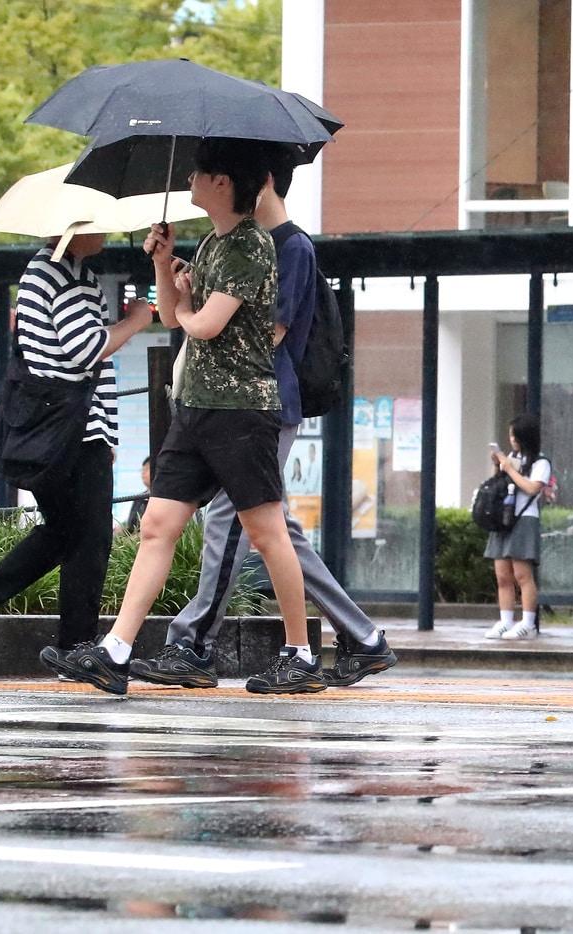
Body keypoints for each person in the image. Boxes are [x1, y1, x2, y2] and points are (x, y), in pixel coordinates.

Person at [39, 138, 312, 696]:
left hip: (241, 411)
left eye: (198, 172)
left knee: (266, 533)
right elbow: (169, 314)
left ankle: (300, 652)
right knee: (157, 525)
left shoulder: (249, 247)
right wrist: (165, 265)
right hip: (196, 409)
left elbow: (205, 323)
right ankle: (115, 650)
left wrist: (185, 305)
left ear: (220, 183)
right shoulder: (212, 243)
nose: (188, 178)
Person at [130, 144, 396, 691]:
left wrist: (196, 312)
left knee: (234, 523)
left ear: (261, 179)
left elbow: (267, 334)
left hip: (258, 407)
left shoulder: (289, 248)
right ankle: (364, 639)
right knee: (275, 530)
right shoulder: (235, 243)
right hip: (231, 406)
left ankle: (194, 642)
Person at [0, 233, 154, 673]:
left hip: (67, 428)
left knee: (67, 532)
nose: (107, 234)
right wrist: (136, 320)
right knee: (89, 538)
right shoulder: (60, 272)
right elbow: (87, 351)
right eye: (99, 225)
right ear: (74, 229)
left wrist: (108, 431)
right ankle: (75, 647)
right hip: (72, 432)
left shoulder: (61, 272)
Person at [483, 413, 551, 641]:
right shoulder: (512, 458)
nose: (511, 440)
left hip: (524, 519)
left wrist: (510, 469)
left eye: (514, 435)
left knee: (522, 574)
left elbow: (532, 488)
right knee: (502, 574)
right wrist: (499, 466)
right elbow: (502, 485)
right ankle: (505, 621)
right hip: (504, 518)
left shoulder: (541, 462)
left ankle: (528, 623)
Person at [124, 456, 152, 534]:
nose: (143, 473)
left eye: (146, 469)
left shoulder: (165, 498)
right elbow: (130, 525)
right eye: (142, 470)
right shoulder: (138, 498)